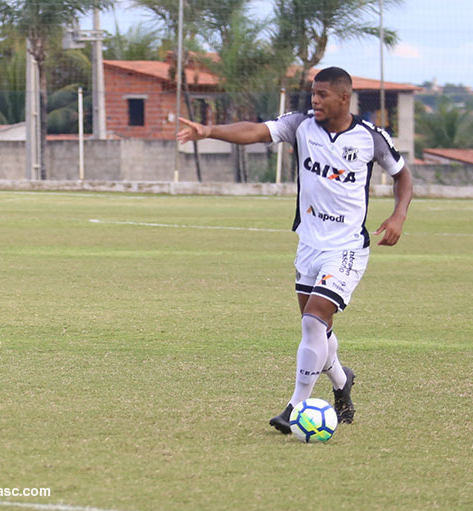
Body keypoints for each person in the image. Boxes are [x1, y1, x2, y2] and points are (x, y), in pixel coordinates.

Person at [177, 67, 413, 434]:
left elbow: (402, 174)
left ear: (343, 98)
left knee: (312, 320)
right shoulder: (300, 125)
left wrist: (399, 214)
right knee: (317, 329)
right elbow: (256, 131)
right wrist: (209, 131)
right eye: (312, 94)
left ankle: (295, 406)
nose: (314, 100)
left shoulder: (370, 137)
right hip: (309, 245)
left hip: (347, 247)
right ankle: (341, 380)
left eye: (321, 94)